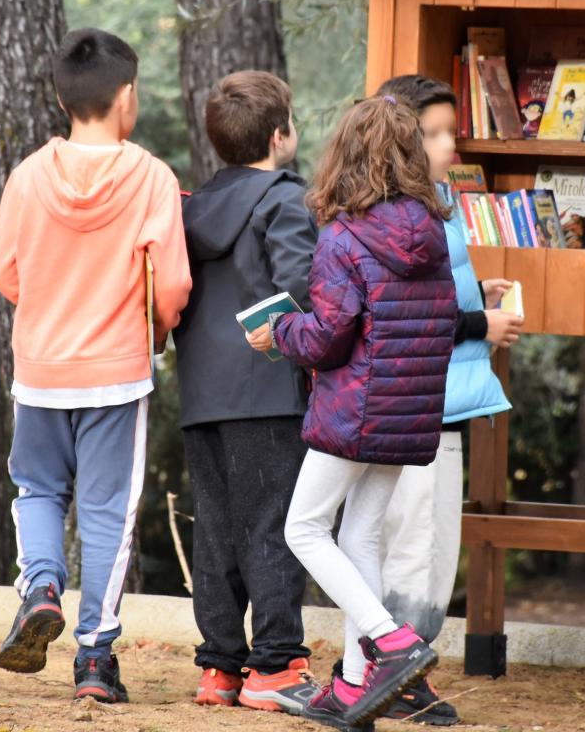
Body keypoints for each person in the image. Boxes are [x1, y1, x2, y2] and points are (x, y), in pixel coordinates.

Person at [0, 28, 192, 703]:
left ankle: (41, 585)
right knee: (107, 512)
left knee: (38, 489)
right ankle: (95, 661)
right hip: (116, 370)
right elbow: (172, 286)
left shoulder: (26, 177)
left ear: (60, 96)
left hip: (42, 367)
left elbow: (6, 273)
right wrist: (156, 330)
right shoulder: (153, 179)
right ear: (127, 96)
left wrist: (52, 308)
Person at [246, 95, 458, 731]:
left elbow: (329, 338)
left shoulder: (343, 235)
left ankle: (392, 644)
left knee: (303, 529)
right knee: (358, 536)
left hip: (354, 408)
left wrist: (280, 332)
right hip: (409, 410)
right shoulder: (432, 230)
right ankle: (353, 685)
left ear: (346, 155)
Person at [172, 71, 320, 713]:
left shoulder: (189, 205)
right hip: (268, 389)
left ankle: (220, 668)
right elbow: (303, 287)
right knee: (274, 525)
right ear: (281, 134)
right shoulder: (287, 199)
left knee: (218, 531)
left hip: (202, 394)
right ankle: (278, 663)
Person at [376, 75, 522, 725]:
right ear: (401, 137)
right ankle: (392, 672)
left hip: (448, 394)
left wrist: (476, 295)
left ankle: (404, 667)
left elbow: (439, 296)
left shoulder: (436, 202)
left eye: (450, 133)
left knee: (439, 546)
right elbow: (408, 314)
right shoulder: (392, 209)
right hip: (412, 398)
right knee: (411, 544)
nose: (449, 147)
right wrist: (479, 324)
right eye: (434, 134)